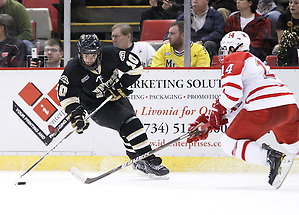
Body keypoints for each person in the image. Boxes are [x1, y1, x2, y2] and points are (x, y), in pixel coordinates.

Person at [187, 31, 298, 189]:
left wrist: (215, 113)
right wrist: (210, 124)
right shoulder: (255, 62)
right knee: (295, 145)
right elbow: (238, 106)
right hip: (288, 106)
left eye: (225, 49)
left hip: (264, 106)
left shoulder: (235, 57)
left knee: (228, 142)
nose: (223, 54)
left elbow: (232, 93)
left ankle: (271, 157)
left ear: (233, 48)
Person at [57, 33, 170, 178]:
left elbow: (136, 67)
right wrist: (76, 114)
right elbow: (66, 96)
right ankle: (148, 160)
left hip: (116, 97)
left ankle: (136, 159)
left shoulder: (111, 54)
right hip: (96, 106)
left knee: (128, 129)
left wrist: (121, 85)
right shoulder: (73, 69)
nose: (90, 60)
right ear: (80, 53)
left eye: (94, 55)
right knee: (131, 123)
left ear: (99, 52)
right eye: (86, 56)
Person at [273, 0, 299, 66]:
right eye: (290, 3)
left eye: (296, 3)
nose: (292, 5)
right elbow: (280, 39)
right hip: (288, 45)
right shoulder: (284, 16)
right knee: (277, 48)